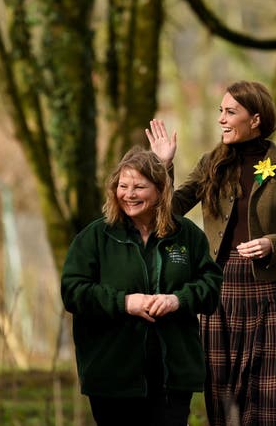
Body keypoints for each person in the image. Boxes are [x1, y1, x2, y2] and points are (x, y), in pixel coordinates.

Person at [146, 80, 276, 426]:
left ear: (255, 119)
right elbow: (169, 212)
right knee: (221, 391)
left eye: (230, 112)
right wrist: (164, 166)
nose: (221, 119)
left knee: (265, 390)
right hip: (216, 288)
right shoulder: (211, 162)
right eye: (220, 112)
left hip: (264, 288)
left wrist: (274, 244)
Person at [61, 147, 223, 426]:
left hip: (172, 377)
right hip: (112, 375)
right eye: (123, 186)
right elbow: (73, 292)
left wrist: (178, 300)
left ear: (161, 190)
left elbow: (211, 286)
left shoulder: (187, 235)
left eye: (139, 186)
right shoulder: (95, 237)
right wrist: (125, 303)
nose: (129, 194)